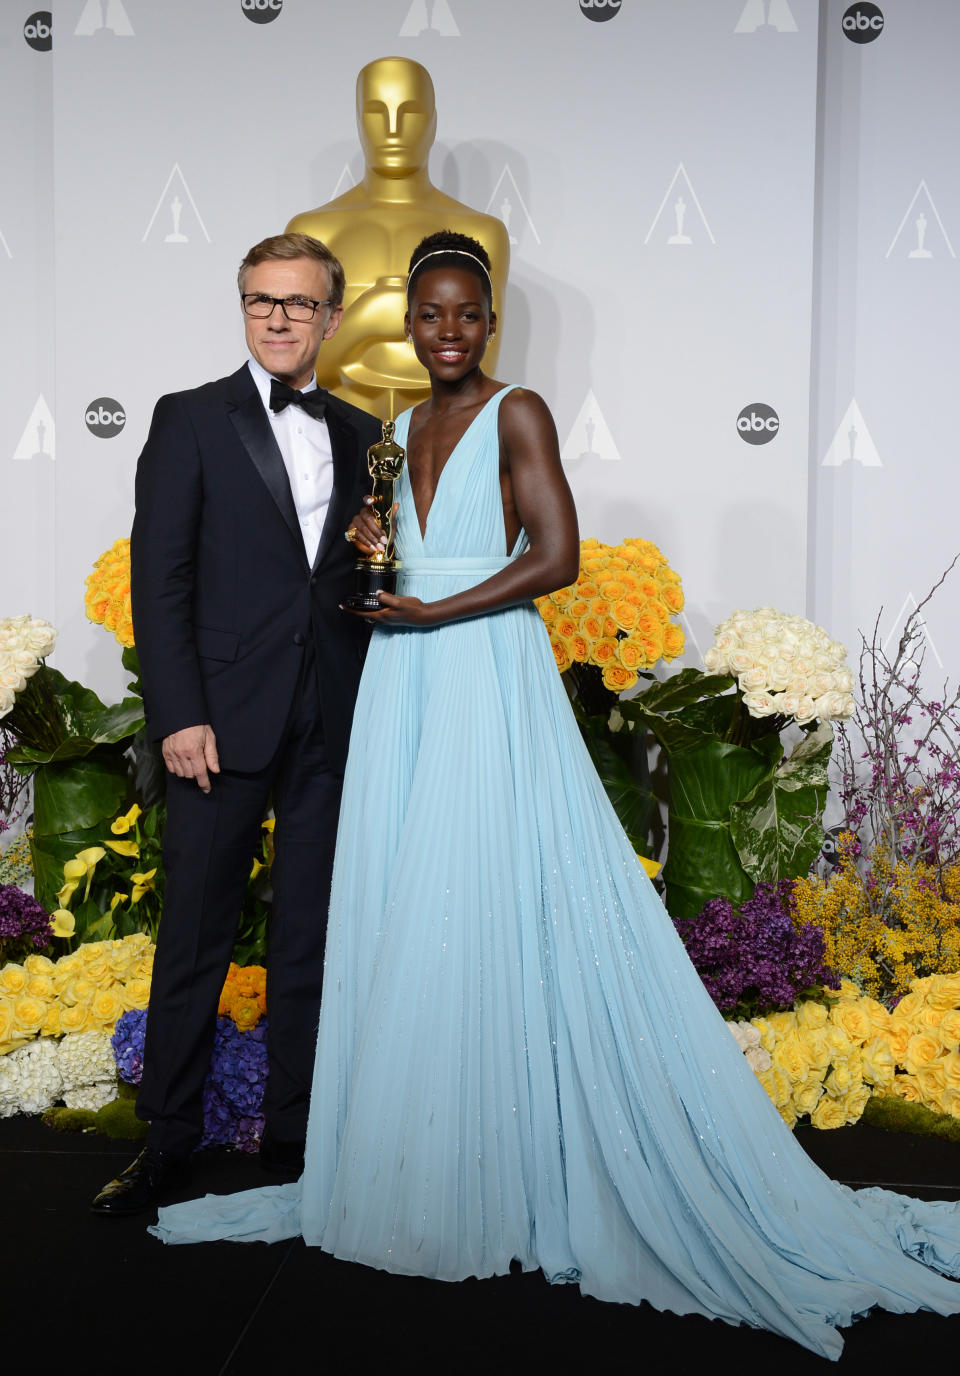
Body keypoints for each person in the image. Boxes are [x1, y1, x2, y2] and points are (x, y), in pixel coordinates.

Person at [149, 233, 960, 1360]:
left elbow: (560, 554)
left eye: (465, 316)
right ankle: (404, 1146)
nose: (445, 332)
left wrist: (431, 610)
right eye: (429, 315)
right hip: (393, 688)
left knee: (489, 890)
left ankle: (498, 1154)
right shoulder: (387, 430)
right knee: (405, 905)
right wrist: (380, 553)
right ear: (406, 324)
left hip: (480, 670)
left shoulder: (515, 409)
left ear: (492, 322)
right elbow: (319, 567)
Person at [91, 233, 382, 1215]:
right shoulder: (188, 419)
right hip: (215, 725)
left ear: (331, 317)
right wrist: (178, 713)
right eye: (261, 300)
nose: (278, 317)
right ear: (244, 307)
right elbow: (158, 578)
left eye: (298, 303)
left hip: (329, 718)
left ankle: (297, 1136)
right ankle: (167, 1138)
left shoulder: (360, 428)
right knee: (196, 938)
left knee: (309, 935)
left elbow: (358, 579)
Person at [285, 55, 509, 420]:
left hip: (446, 438)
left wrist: (350, 338)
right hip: (337, 439)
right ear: (358, 121)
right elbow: (300, 363)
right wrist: (372, 315)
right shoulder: (314, 230)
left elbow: (479, 362)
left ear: (434, 123)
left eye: (411, 113)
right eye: (376, 113)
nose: (392, 129)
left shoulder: (480, 232)